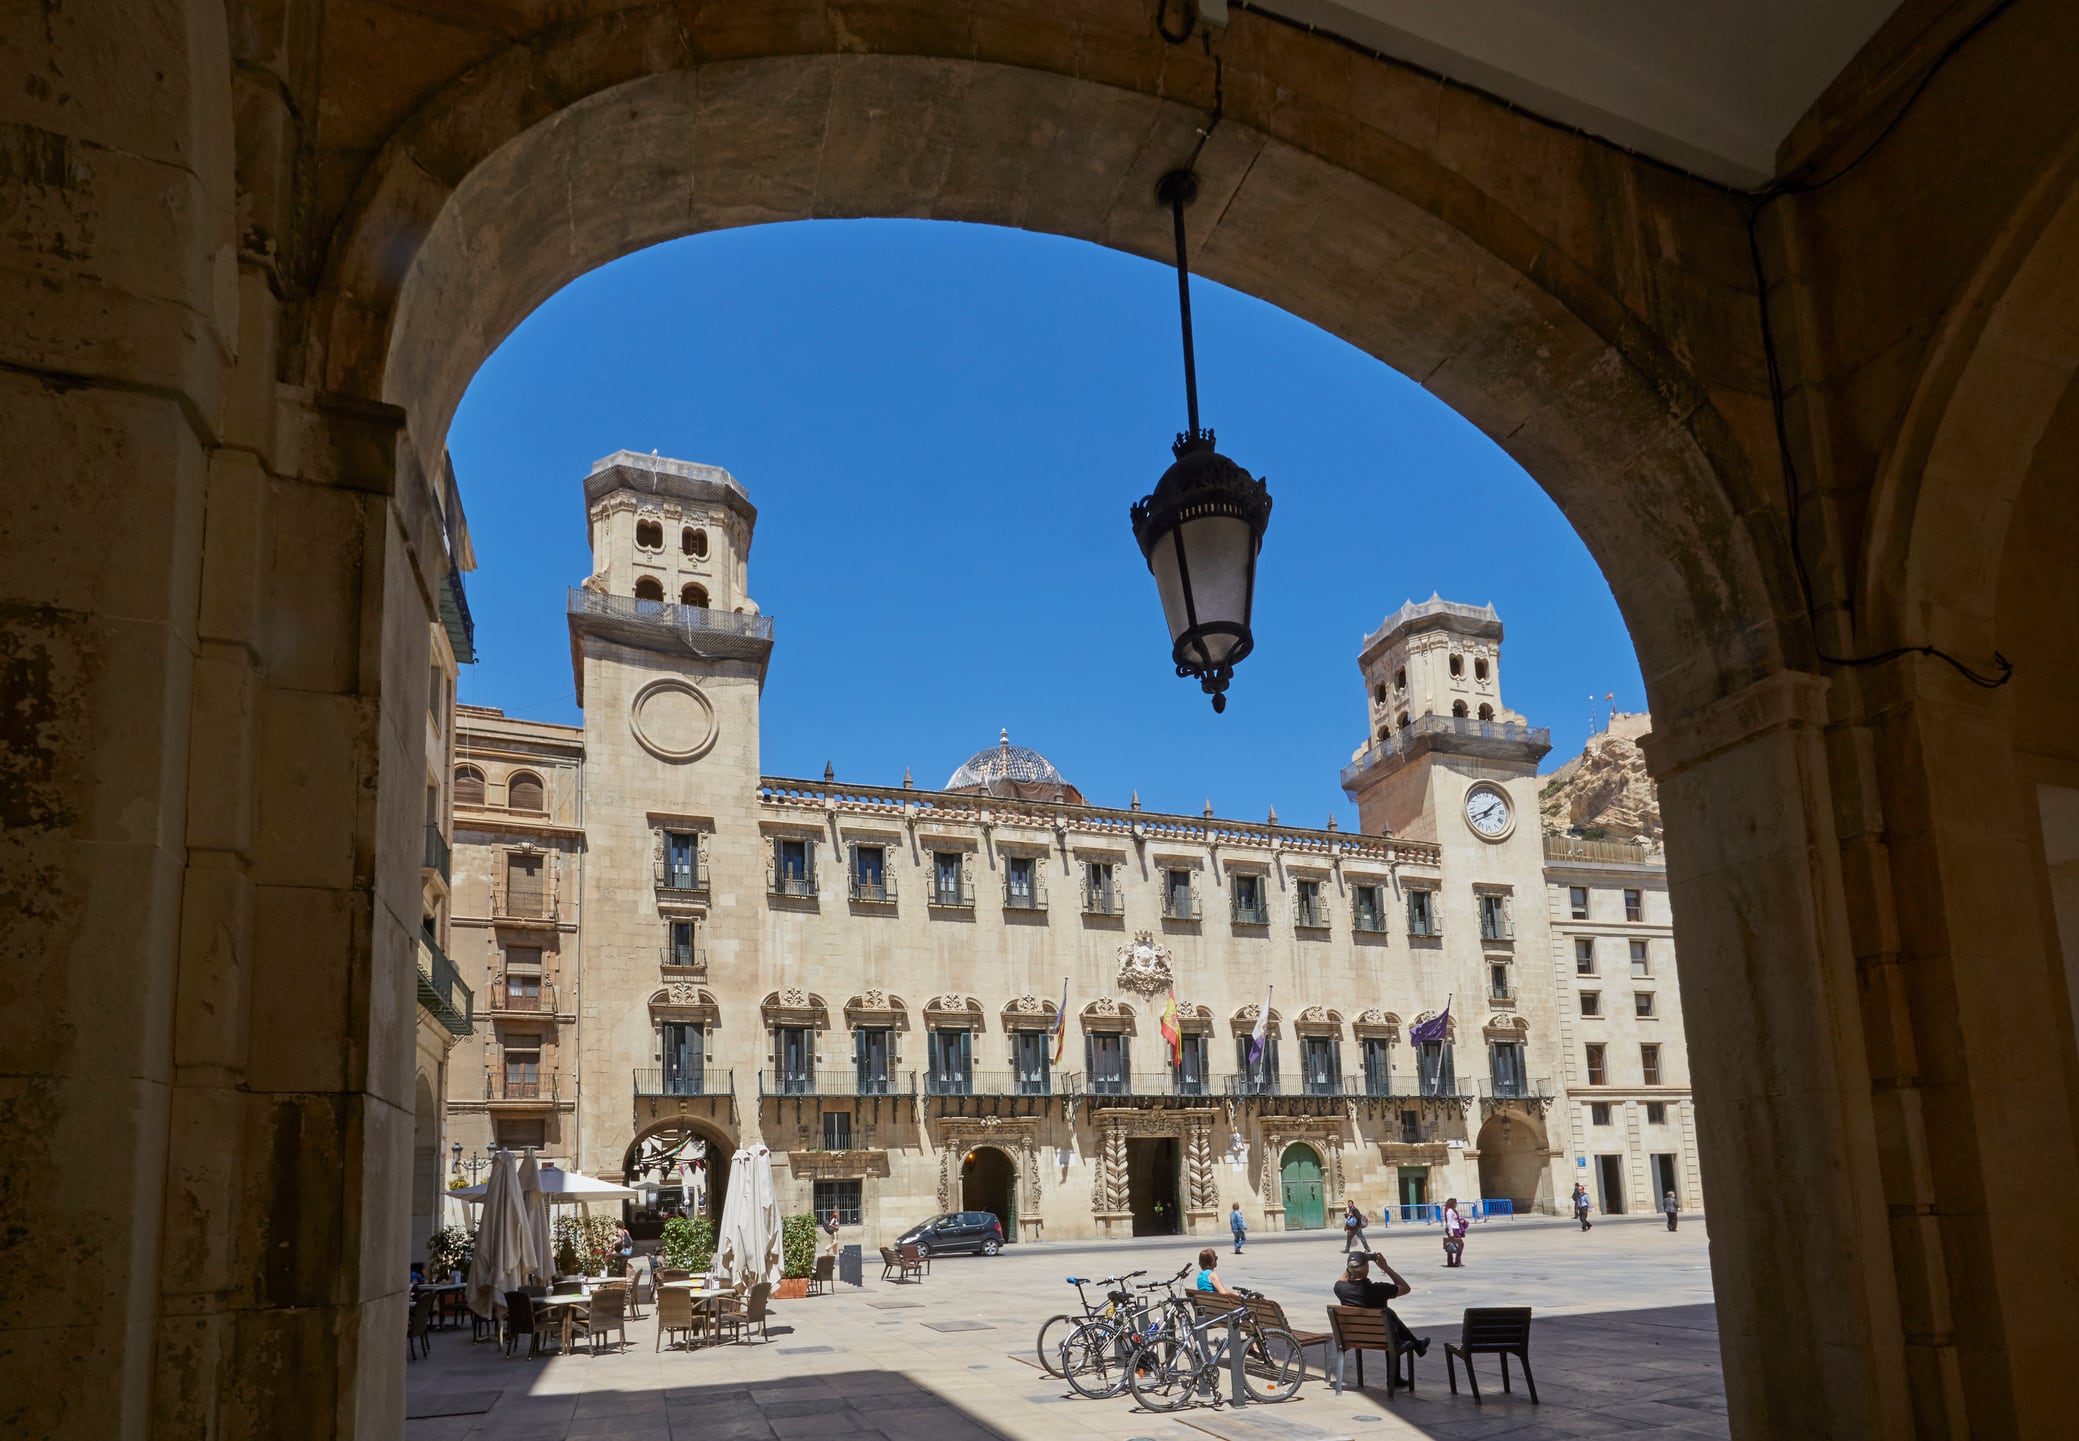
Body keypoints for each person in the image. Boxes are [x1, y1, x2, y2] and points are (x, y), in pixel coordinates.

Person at [1333, 1251, 1429, 1358]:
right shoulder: (1379, 1289)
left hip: (1355, 1337)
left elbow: (1342, 1279)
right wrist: (1385, 1267)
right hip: (1384, 1339)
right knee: (1388, 1316)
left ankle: (1418, 1345)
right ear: (1367, 1268)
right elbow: (1405, 1288)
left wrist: (1351, 1268)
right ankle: (1416, 1346)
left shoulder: (1340, 1288)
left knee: (1389, 1315)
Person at [1441, 1197, 1467, 1267]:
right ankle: (1457, 1261)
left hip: (1455, 1228)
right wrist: (1451, 1232)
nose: (1456, 1204)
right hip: (1452, 1229)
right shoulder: (1449, 1211)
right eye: (1456, 1203)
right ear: (1452, 1204)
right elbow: (1449, 1222)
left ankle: (1451, 1262)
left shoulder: (1453, 1210)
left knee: (1451, 1244)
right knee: (1460, 1244)